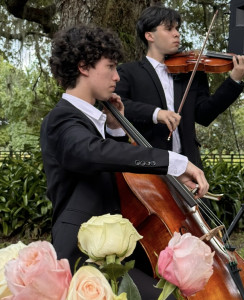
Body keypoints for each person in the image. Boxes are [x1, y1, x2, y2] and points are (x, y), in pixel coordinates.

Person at [40, 24, 208, 298]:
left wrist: (117, 129)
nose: (117, 77)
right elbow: (95, 153)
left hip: (112, 249)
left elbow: (111, 169)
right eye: (111, 67)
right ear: (84, 67)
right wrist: (174, 161)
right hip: (81, 253)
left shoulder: (88, 122)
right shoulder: (61, 119)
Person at [115, 5, 244, 168]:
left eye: (177, 28)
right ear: (149, 35)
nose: (177, 33)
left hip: (188, 165)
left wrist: (234, 80)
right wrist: (156, 113)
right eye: (169, 29)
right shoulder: (127, 72)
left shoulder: (192, 71)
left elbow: (204, 115)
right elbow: (117, 106)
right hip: (148, 165)